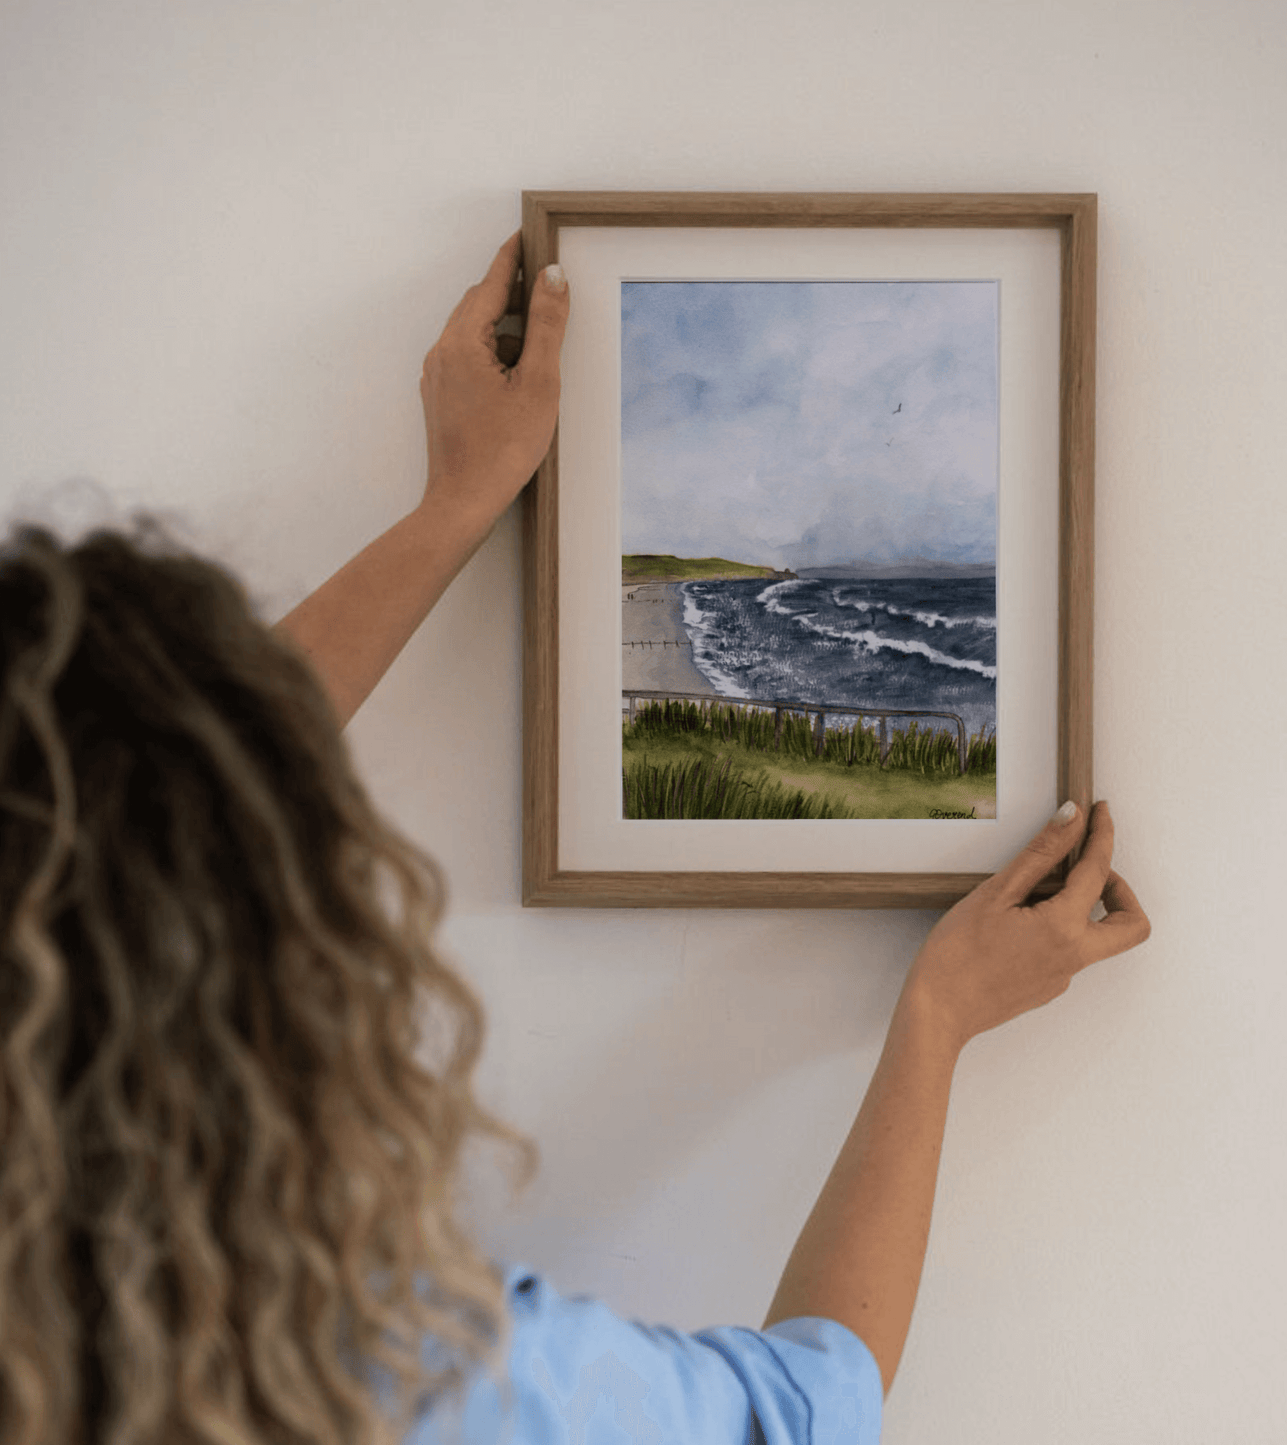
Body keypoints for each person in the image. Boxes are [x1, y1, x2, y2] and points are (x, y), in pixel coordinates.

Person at [0, 231, 1150, 1445]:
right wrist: (935, 1021)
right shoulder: (408, 1376)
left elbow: (154, 795)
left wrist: (452, 509)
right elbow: (806, 1406)